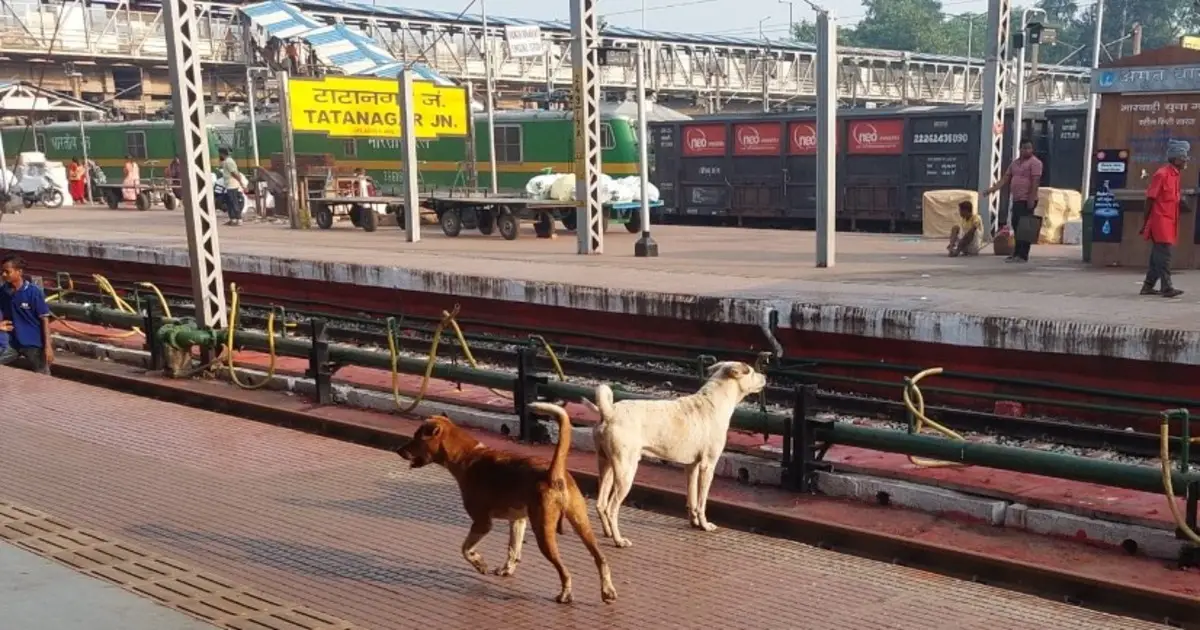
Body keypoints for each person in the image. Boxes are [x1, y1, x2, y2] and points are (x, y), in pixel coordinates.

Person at [1141, 140, 1188, 298]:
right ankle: (1167, 287)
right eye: (1183, 158)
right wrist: (1145, 221)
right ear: (1175, 159)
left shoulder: (1175, 175)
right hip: (1160, 221)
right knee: (1164, 255)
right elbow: (1150, 198)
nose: (1185, 161)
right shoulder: (1162, 174)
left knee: (1157, 256)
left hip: (1169, 221)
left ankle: (1147, 286)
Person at [986, 139, 1043, 263]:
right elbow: (1005, 178)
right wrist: (992, 190)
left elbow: (1035, 182)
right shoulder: (1015, 164)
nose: (1027, 150)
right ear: (1020, 149)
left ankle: (1023, 255)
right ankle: (1016, 253)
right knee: (1016, 226)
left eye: (1029, 148)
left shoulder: (1035, 163)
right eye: (1024, 148)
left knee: (1025, 228)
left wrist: (1031, 199)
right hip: (1017, 199)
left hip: (1027, 199)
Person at [0, 254, 53, 374]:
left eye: (7, 272)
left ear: (19, 272)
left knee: (42, 374)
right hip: (12, 343)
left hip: (33, 343)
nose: (3, 275)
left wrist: (48, 347)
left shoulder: (34, 292)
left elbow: (44, 319)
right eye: (2, 271)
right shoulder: (3, 292)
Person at [219, 148, 248, 226]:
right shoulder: (227, 161)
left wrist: (241, 183)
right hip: (230, 185)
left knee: (234, 202)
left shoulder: (228, 162)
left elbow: (234, 173)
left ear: (222, 153)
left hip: (232, 185)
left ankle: (239, 219)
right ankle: (234, 219)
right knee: (231, 202)